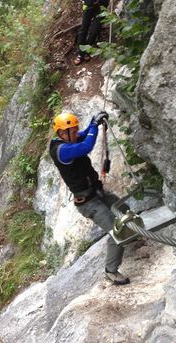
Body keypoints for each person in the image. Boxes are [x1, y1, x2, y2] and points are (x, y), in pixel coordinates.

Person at [49, 112, 130, 285]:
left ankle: (134, 234)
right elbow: (86, 146)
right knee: (117, 232)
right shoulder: (62, 151)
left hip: (96, 192)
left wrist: (94, 124)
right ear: (63, 134)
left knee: (124, 210)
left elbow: (83, 135)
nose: (77, 132)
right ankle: (111, 271)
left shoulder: (68, 139)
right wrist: (94, 125)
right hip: (88, 202)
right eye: (73, 130)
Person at [74, 0, 109, 65]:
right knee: (83, 30)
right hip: (88, 4)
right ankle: (80, 53)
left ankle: (87, 51)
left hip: (101, 6)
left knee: (94, 31)